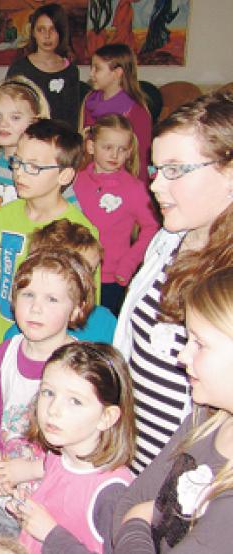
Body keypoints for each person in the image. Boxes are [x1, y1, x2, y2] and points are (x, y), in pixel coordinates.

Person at [112, 91, 233, 475]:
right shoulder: (167, 241)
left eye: (176, 170)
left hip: (187, 474)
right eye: (156, 170)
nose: (156, 187)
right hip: (133, 456)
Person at [114, 267, 233, 552]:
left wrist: (141, 518)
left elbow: (130, 516)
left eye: (200, 344)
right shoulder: (203, 420)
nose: (182, 356)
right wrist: (135, 515)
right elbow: (126, 505)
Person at [0, 249, 96, 536]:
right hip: (6, 491)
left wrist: (31, 470)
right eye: (28, 294)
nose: (35, 308)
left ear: (77, 310)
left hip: (56, 499)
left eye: (52, 299)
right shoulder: (5, 354)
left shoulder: (83, 366)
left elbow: (91, 444)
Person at [0, 119, 98, 374]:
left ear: (64, 175)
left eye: (33, 167)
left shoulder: (79, 233)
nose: (19, 172)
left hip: (44, 360)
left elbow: (83, 307)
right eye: (17, 162)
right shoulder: (6, 214)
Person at [7, 342, 135, 553]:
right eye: (48, 392)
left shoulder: (111, 493)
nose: (53, 409)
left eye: (75, 401)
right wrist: (28, 511)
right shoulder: (59, 455)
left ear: (106, 417)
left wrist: (50, 534)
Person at [0, 77, 51, 306]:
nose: (3, 124)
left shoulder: (42, 168)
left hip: (19, 266)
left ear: (35, 121)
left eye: (15, 117)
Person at [75, 115, 159, 315]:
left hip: (110, 279)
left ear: (129, 152)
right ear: (91, 147)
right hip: (74, 271)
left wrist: (128, 264)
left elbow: (151, 228)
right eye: (108, 147)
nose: (115, 154)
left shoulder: (134, 189)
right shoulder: (75, 181)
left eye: (122, 149)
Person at [2, 220, 118, 344]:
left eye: (92, 272)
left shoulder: (104, 322)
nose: (92, 284)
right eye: (83, 273)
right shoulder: (19, 334)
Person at [82, 43, 153, 182]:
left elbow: (142, 160)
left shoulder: (136, 111)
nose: (91, 74)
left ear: (117, 73)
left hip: (122, 182)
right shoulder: (90, 101)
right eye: (92, 68)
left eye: (97, 69)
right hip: (92, 177)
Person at [5, 3, 81, 128]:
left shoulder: (71, 70)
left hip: (60, 141)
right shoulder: (19, 68)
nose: (47, 36)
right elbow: (11, 111)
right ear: (33, 33)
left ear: (61, 32)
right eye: (41, 29)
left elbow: (72, 118)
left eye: (53, 29)